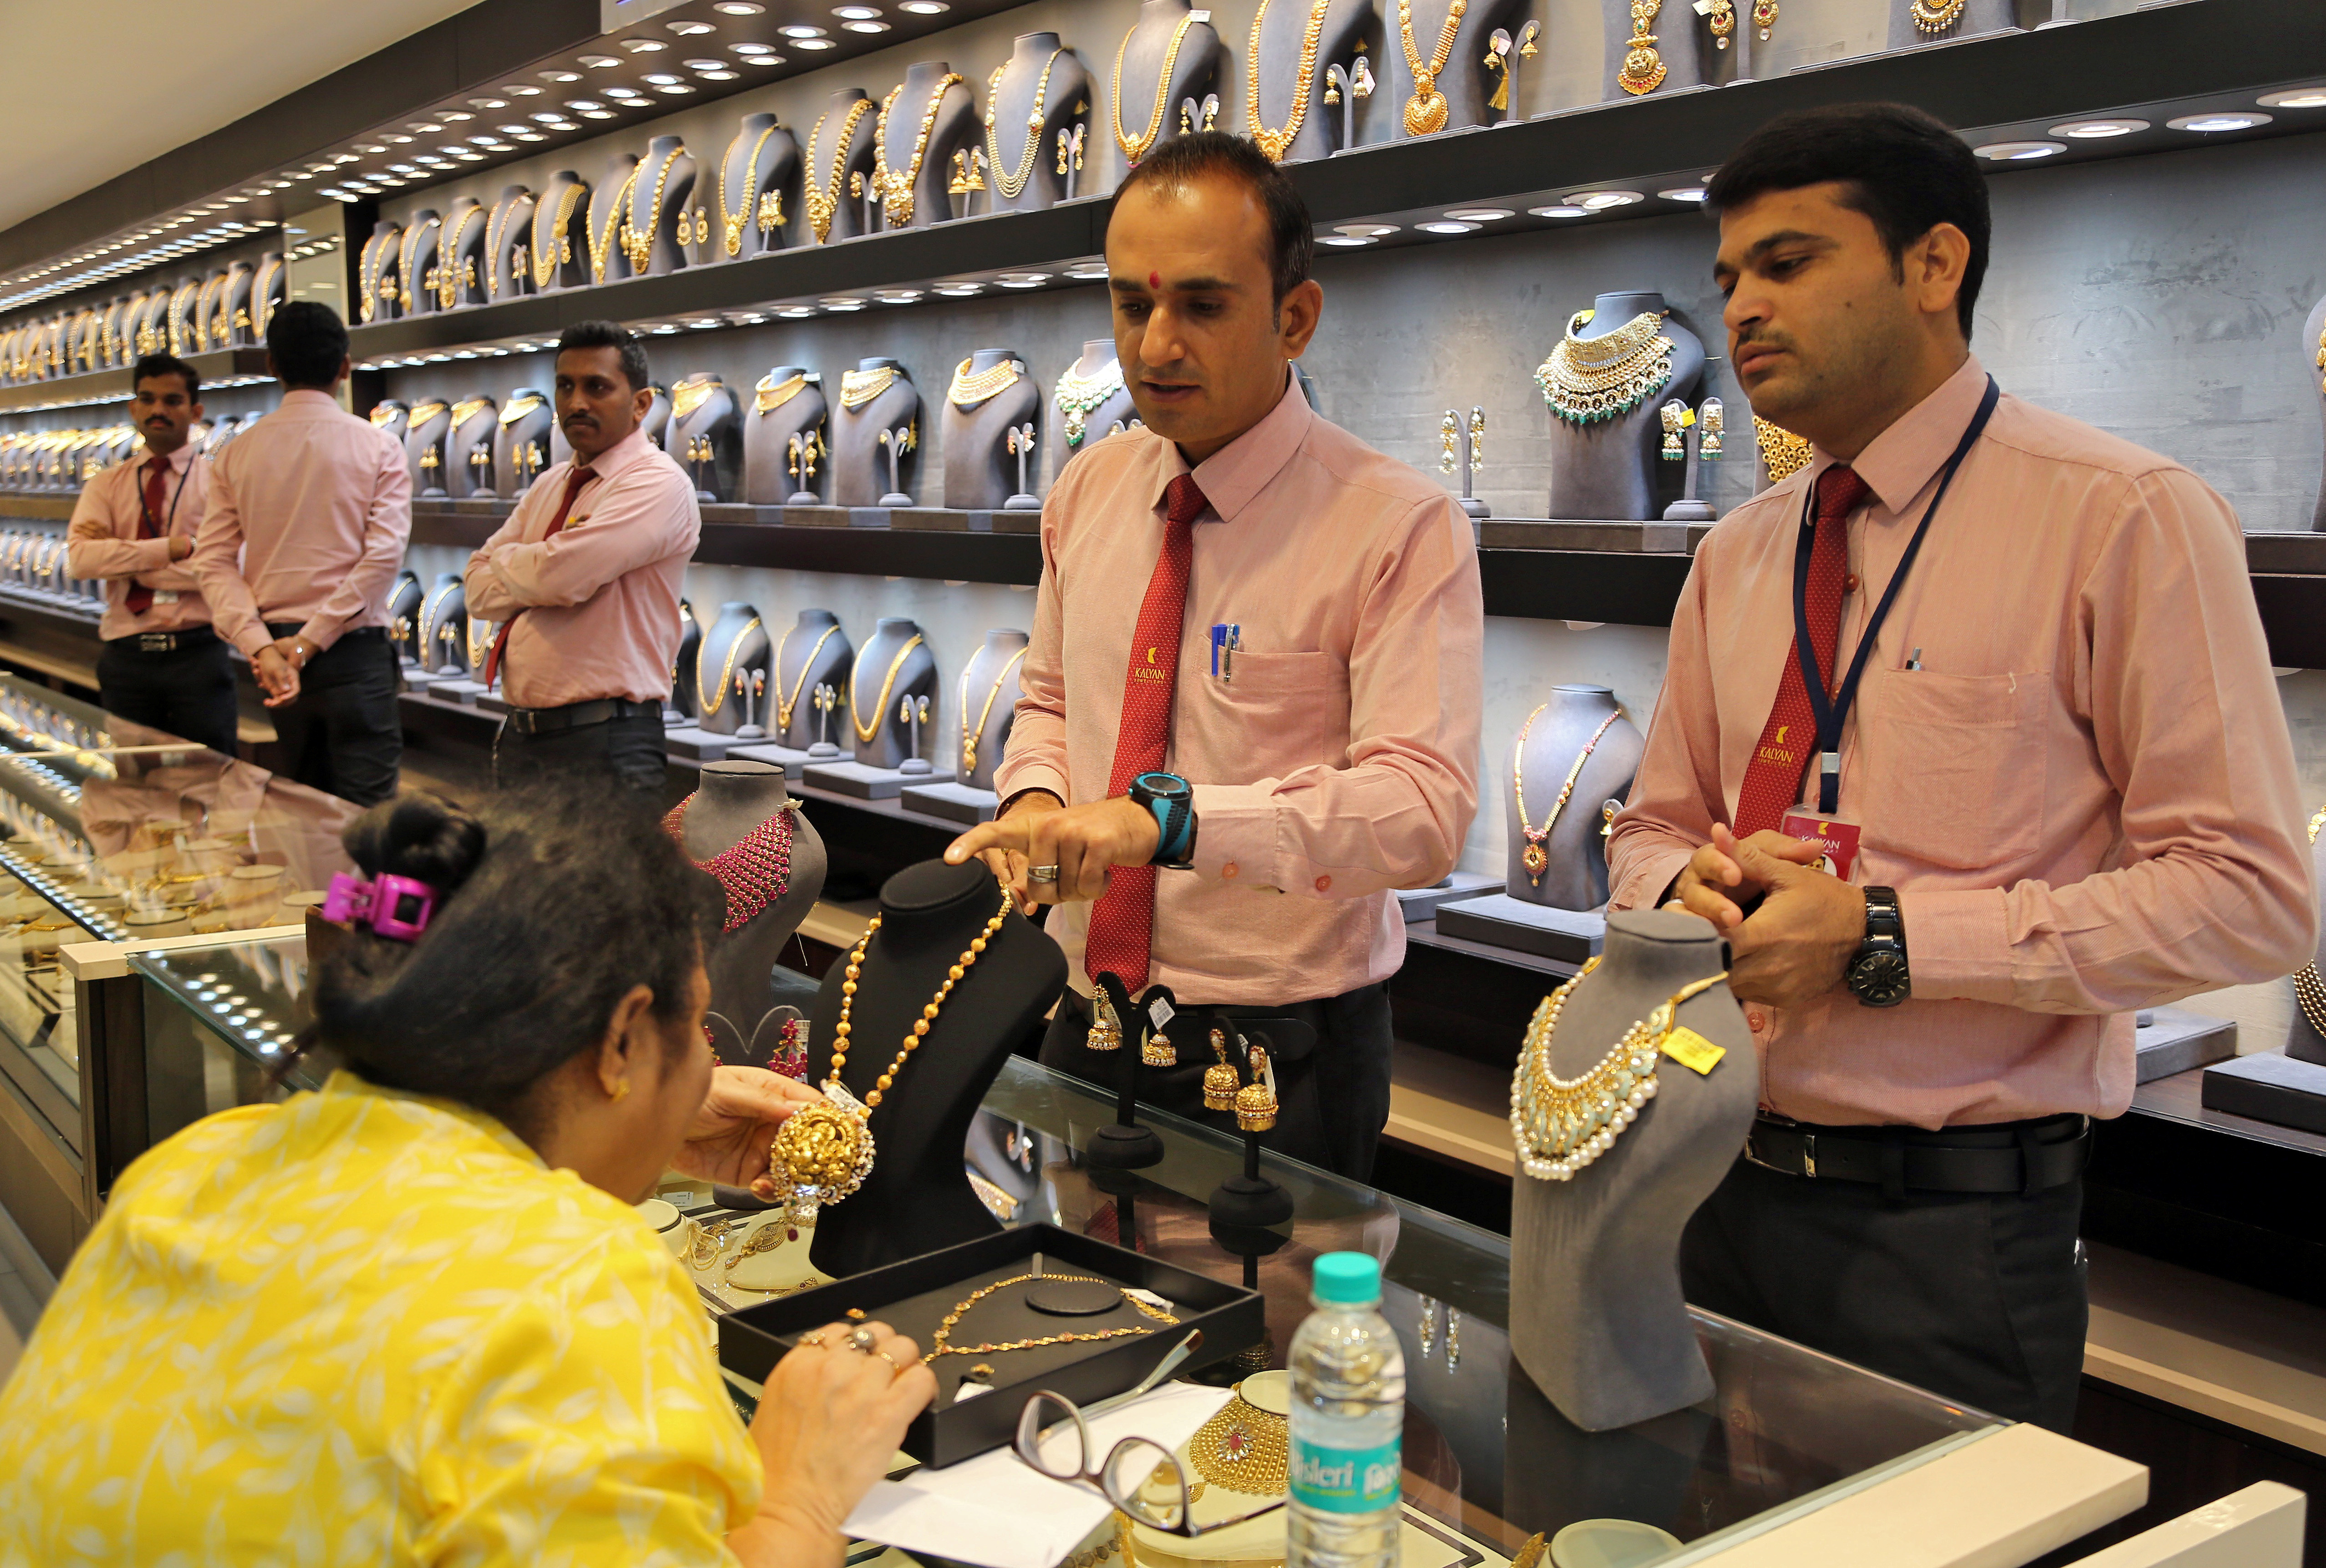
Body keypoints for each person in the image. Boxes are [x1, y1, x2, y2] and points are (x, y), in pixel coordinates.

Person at [1606, 102, 2316, 1432]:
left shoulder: (2121, 518)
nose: (1741, 306)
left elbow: (2248, 896)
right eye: (1727, 277)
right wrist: (1684, 887)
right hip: (1698, 1180)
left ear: (1933, 266)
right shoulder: (1736, 554)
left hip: (1944, 1242)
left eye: (1788, 261)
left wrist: (1882, 934)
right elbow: (1646, 827)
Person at [0, 789, 935, 1566]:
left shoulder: (198, 1164)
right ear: (619, 1038)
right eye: (692, 1032)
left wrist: (621, 1142)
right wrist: (799, 1501)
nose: (703, 1066)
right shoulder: (575, 1284)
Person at [944, 132, 1483, 1180]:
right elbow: (1051, 700)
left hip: (1278, 1056)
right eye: (1130, 305)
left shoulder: (1395, 526)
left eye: (1201, 306)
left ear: (1294, 317)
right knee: (1067, 1316)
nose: (1153, 346)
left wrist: (1169, 826)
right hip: (1082, 1015)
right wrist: (1031, 805)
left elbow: (1420, 813)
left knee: (1267, 1342)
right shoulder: (1086, 494)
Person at [464, 320, 697, 798]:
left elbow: (561, 577)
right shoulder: (551, 484)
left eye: (597, 387)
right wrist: (538, 564)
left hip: (605, 744)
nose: (576, 403)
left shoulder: (656, 483)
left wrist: (513, 560)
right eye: (565, 386)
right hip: (522, 737)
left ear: (641, 404)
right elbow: (475, 589)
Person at [193, 300, 410, 806]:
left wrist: (262, 647)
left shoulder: (234, 453)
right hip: (352, 651)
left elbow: (213, 562)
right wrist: (310, 642)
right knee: (369, 817)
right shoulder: (379, 447)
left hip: (274, 653)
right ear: (345, 368)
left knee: (305, 810)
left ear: (272, 365)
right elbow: (382, 560)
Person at [64, 352, 238, 756]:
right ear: (133, 408)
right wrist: (176, 549)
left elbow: (228, 569)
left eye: (172, 401)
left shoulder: (220, 485)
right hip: (128, 660)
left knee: (214, 784)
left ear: (195, 411)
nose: (158, 410)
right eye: (147, 399)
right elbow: (83, 561)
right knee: (133, 786)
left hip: (199, 656)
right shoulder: (105, 487)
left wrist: (134, 568)